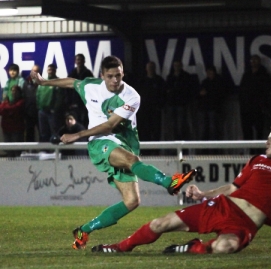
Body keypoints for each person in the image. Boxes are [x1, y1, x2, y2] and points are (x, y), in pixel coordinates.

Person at [90, 123, 271, 254]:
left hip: (244, 224)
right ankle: (119, 247)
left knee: (225, 248)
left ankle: (195, 247)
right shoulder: (257, 160)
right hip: (222, 207)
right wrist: (204, 195)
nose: (267, 142)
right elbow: (233, 187)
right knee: (159, 224)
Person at [30, 55, 197, 250]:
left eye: (118, 75)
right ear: (102, 75)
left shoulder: (132, 96)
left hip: (120, 142)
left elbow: (110, 125)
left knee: (132, 201)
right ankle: (170, 182)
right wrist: (44, 82)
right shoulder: (91, 86)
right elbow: (72, 83)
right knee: (131, 160)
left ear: (123, 73)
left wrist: (78, 135)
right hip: (100, 143)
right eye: (110, 76)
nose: (115, 80)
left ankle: (83, 230)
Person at [239, 55, 271, 142]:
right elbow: (241, 90)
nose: (253, 62)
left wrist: (263, 106)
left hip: (258, 109)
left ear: (259, 62)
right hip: (247, 109)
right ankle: (249, 152)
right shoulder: (247, 74)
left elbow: (267, 92)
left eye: (255, 60)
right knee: (247, 131)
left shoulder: (264, 75)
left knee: (259, 131)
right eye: (252, 60)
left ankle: (258, 151)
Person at [136, 61, 165, 146]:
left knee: (156, 130)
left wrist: (160, 106)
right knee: (145, 130)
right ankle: (146, 150)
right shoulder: (142, 81)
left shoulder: (159, 81)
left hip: (155, 110)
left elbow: (163, 94)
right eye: (149, 68)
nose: (150, 69)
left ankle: (156, 151)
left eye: (152, 67)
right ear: (146, 69)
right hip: (144, 111)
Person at [196, 65, 227, 142]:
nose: (209, 73)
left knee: (214, 130)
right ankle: (205, 150)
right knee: (204, 129)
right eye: (208, 72)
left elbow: (220, 94)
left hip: (214, 109)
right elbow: (199, 94)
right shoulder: (204, 82)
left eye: (211, 71)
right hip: (204, 109)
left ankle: (214, 150)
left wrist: (208, 93)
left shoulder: (219, 81)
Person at [36, 64, 64, 143]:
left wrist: (54, 109)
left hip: (52, 113)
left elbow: (60, 98)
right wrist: (39, 107)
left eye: (52, 70)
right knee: (43, 133)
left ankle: (55, 152)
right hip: (42, 112)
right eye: (49, 70)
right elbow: (38, 95)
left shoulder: (58, 82)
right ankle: (45, 152)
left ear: (55, 71)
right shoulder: (43, 81)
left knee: (54, 133)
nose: (50, 71)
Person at [67, 53, 94, 128]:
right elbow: (67, 88)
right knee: (74, 124)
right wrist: (69, 102)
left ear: (84, 61)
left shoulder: (88, 73)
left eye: (80, 60)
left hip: (84, 104)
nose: (79, 61)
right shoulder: (72, 73)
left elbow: (91, 89)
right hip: (73, 103)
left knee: (84, 123)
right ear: (75, 61)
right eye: (77, 59)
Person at [0, 85, 25, 157]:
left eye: (15, 91)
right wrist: (7, 108)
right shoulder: (6, 101)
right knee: (9, 150)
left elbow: (15, 109)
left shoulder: (21, 101)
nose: (13, 92)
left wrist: (6, 108)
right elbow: (1, 110)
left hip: (16, 129)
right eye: (12, 90)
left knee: (17, 149)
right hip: (6, 128)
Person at [22, 65, 40, 142]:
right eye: (33, 71)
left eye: (36, 71)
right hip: (29, 112)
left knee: (42, 133)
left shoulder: (43, 82)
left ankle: (44, 151)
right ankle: (30, 150)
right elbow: (23, 97)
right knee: (29, 132)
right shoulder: (26, 83)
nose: (34, 73)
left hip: (40, 112)